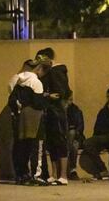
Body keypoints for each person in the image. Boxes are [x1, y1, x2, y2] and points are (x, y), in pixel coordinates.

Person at [8, 58, 51, 185]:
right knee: (38, 144)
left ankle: (21, 174)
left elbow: (11, 100)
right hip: (35, 116)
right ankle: (37, 175)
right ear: (39, 69)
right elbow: (38, 103)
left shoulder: (19, 81)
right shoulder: (36, 82)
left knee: (22, 145)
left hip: (22, 115)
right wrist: (45, 99)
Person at [36, 48, 72, 185]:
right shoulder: (48, 72)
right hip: (50, 111)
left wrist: (48, 95)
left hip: (56, 111)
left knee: (60, 141)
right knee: (51, 143)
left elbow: (62, 92)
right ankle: (54, 174)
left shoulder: (56, 72)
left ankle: (63, 175)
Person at [66, 91, 85, 180]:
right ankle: (69, 169)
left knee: (74, 144)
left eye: (70, 100)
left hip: (74, 137)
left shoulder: (76, 110)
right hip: (61, 138)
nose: (69, 102)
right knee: (72, 141)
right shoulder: (57, 110)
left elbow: (80, 127)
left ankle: (72, 169)